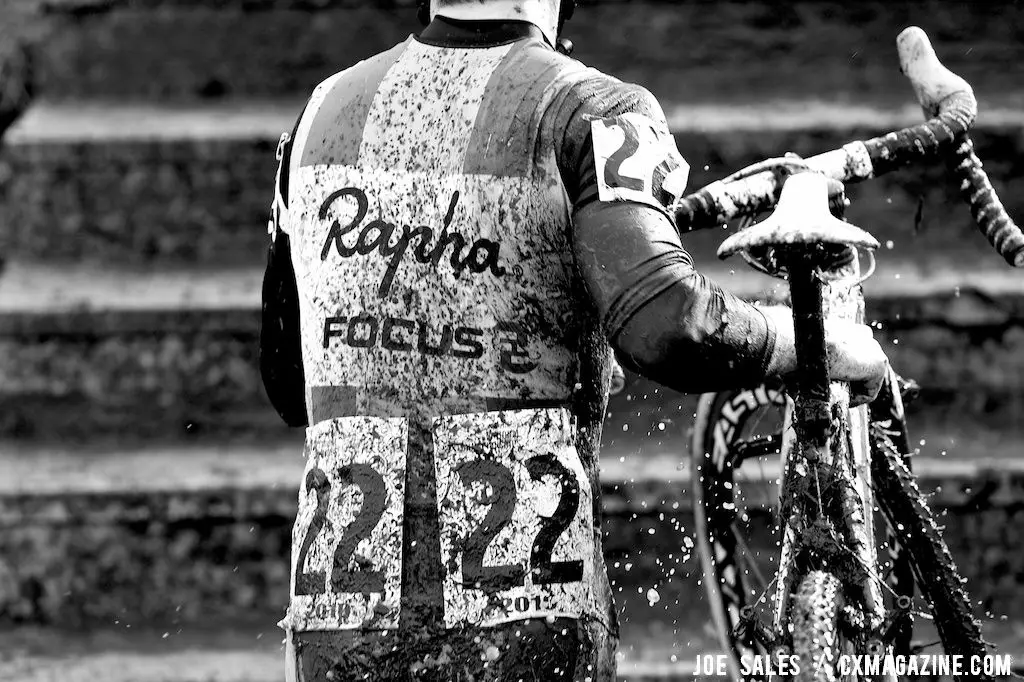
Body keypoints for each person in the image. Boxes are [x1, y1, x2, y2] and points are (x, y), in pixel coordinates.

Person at [259, 1, 889, 679]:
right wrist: (807, 342)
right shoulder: (592, 109)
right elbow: (667, 326)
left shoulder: (321, 111)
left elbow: (288, 381)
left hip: (337, 622)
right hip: (527, 618)